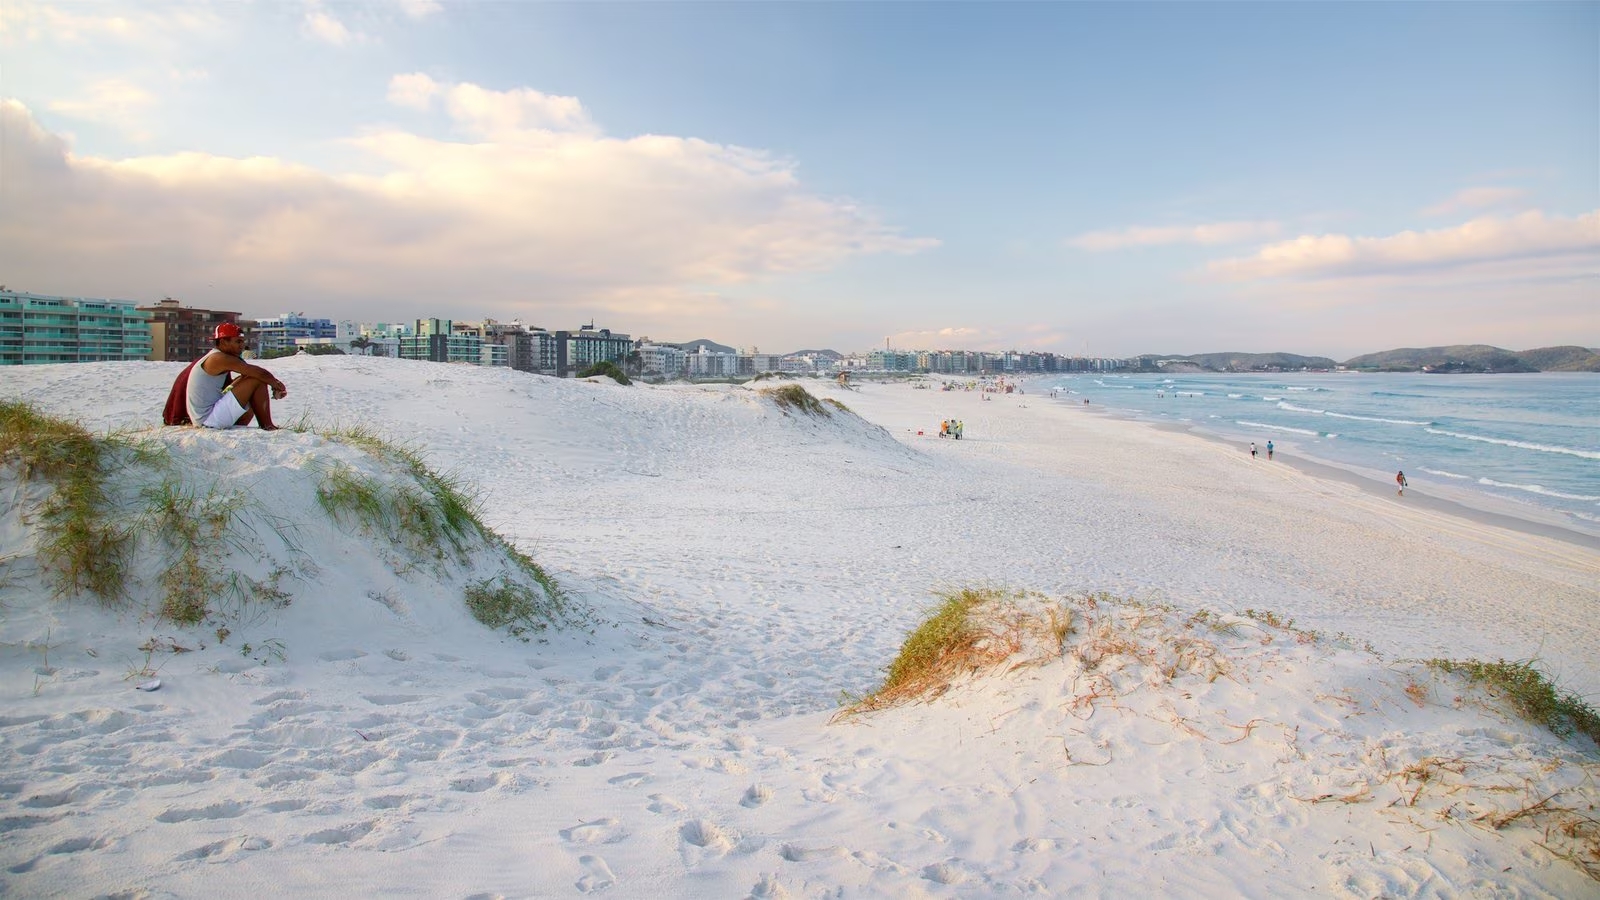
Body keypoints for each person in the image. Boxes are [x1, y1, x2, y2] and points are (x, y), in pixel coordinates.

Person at [187, 323, 288, 430]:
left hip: (207, 418)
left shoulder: (218, 356)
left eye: (242, 341)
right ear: (223, 342)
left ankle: (261, 424)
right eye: (238, 341)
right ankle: (267, 426)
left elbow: (245, 376)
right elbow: (259, 373)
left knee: (250, 380)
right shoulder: (218, 358)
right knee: (256, 380)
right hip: (207, 420)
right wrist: (277, 385)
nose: (242, 345)